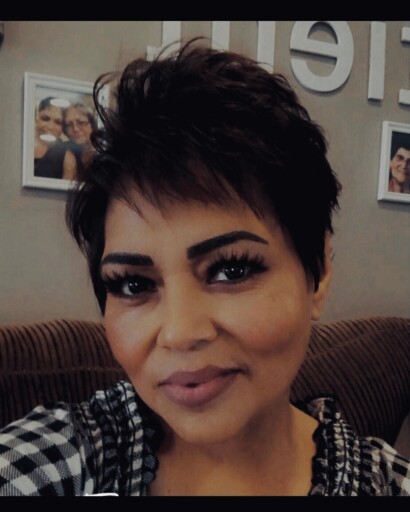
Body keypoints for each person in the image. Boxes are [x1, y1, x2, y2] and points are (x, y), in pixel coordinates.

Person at [1, 39, 409, 496]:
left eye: (231, 270)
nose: (179, 333)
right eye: (134, 284)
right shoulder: (56, 461)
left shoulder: (387, 485)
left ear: (317, 271)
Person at [34, 96, 77, 180]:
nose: (50, 126)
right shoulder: (22, 143)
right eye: (45, 119)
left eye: (58, 122)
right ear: (36, 117)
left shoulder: (67, 158)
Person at [64, 102, 97, 178]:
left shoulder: (102, 152)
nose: (75, 129)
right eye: (69, 124)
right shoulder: (62, 152)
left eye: (81, 122)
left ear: (92, 125)